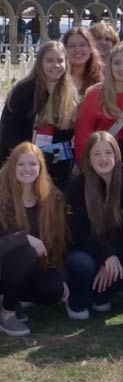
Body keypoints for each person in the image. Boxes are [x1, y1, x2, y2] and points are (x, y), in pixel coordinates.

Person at [64, 132, 123, 319]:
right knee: (82, 264)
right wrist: (106, 256)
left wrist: (113, 256)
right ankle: (76, 300)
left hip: (115, 253)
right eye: (97, 154)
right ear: (88, 158)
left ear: (116, 156)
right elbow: (77, 233)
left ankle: (102, 294)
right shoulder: (76, 186)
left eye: (108, 152)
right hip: (84, 250)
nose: (103, 158)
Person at [0, 143, 68, 336]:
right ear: (12, 167)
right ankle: (7, 312)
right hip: (4, 266)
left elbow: (56, 241)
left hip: (32, 267)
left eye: (33, 164)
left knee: (53, 291)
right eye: (21, 164)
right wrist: (24, 238)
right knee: (26, 251)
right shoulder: (2, 197)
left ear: (40, 167)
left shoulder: (50, 198)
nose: (27, 169)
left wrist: (62, 277)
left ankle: (13, 299)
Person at [0, 41, 79, 189]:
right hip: (23, 165)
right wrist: (34, 156)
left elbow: (68, 135)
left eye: (60, 60)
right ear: (40, 63)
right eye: (49, 60)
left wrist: (55, 157)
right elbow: (8, 132)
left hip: (55, 166)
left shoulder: (70, 93)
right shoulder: (23, 90)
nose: (55, 65)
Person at [63, 27, 103, 95]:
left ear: (90, 49)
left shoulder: (99, 80)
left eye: (82, 45)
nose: (77, 49)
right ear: (64, 50)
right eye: (72, 46)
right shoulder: (58, 79)